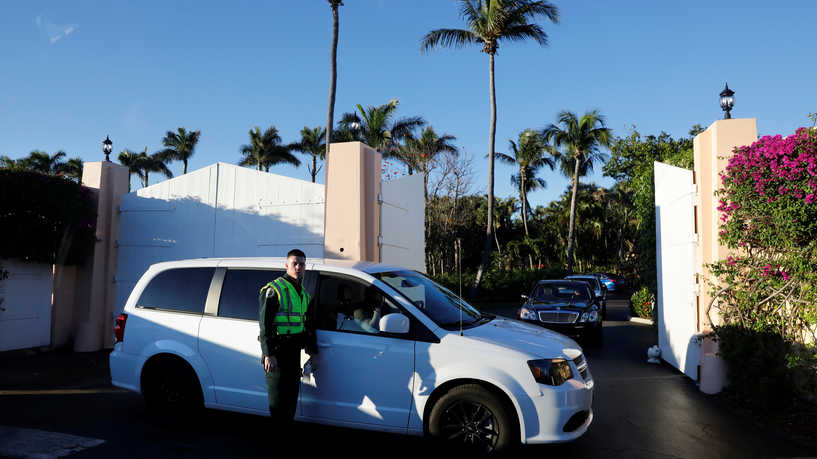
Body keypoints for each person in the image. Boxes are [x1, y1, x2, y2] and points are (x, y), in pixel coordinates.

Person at [258, 249, 318, 426]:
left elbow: (307, 326)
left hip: (293, 353)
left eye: (302, 264)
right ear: (286, 265)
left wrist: (313, 352)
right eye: (295, 263)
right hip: (277, 353)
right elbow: (265, 325)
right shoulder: (274, 289)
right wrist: (268, 353)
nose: (298, 267)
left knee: (291, 399)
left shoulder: (304, 295)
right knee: (278, 403)